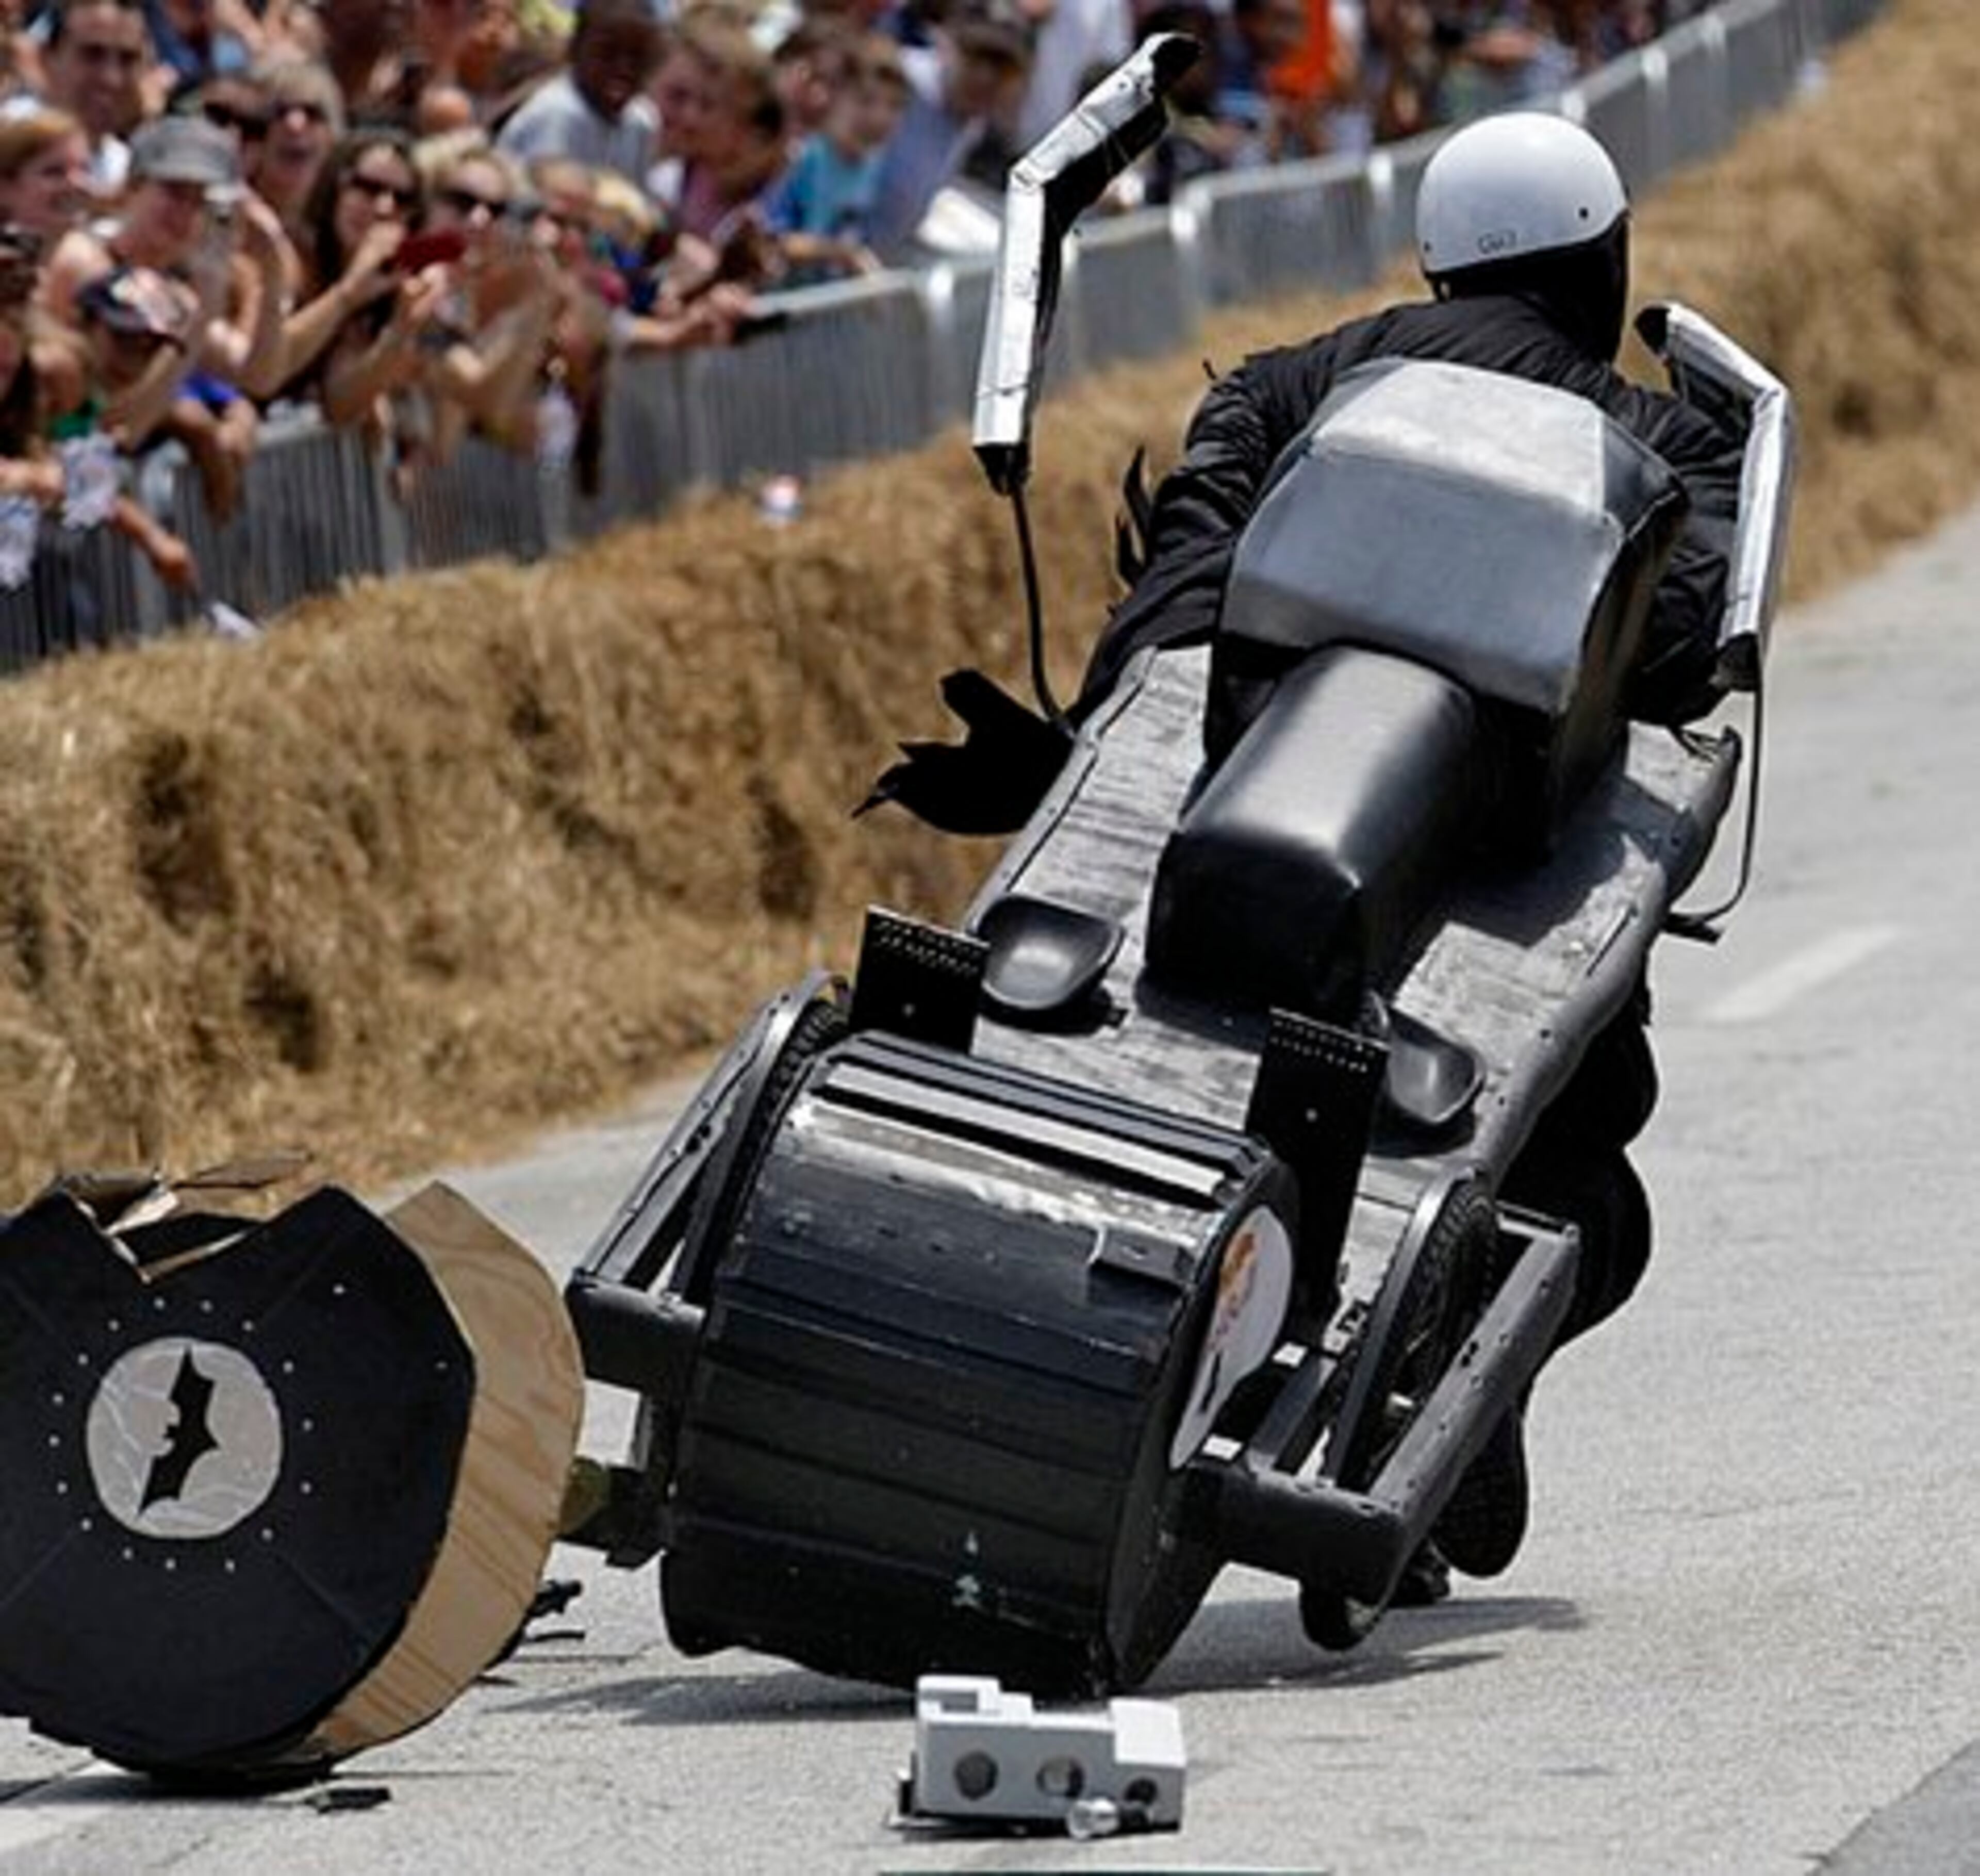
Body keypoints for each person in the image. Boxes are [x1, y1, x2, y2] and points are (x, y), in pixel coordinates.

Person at [1088, 110, 1746, 1583]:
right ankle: (1455, 1354)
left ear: (1441, 264)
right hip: (1498, 876)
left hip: (1241, 811)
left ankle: (1426, 1355)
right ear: (1601, 260)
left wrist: (1140, 749)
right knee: (1591, 1191)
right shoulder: (1669, 438)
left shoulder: (1287, 380)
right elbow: (1690, 653)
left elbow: (1172, 600)